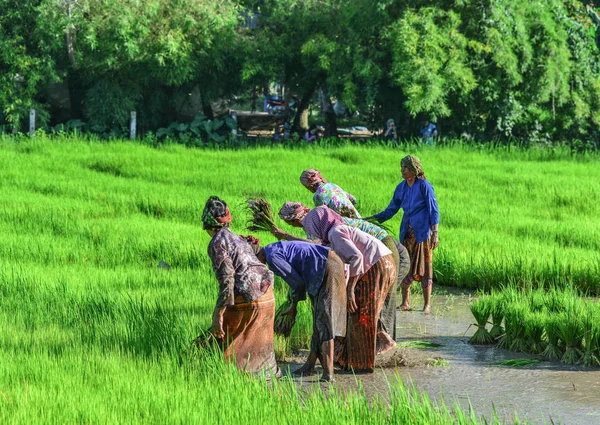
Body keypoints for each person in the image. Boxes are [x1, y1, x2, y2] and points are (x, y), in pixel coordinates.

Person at [275, 202, 410, 343]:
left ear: (294, 220)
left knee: (378, 299)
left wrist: (349, 290)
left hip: (382, 249)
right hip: (374, 252)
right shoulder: (325, 225)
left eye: (289, 223)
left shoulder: (330, 228)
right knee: (365, 301)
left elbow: (318, 246)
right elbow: (323, 248)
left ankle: (382, 344)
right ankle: (370, 345)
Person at [301, 208, 397, 372]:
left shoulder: (335, 233)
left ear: (319, 225)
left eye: (312, 229)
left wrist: (350, 290)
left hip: (376, 266)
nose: (312, 233)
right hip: (383, 263)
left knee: (360, 314)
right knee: (363, 312)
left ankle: (361, 366)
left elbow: (357, 258)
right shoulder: (335, 233)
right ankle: (374, 346)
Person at [202, 196, 279, 377]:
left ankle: (235, 383)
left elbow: (227, 278)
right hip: (267, 294)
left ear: (206, 224)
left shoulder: (217, 243)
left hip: (249, 299)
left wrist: (218, 314)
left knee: (230, 347)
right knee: (260, 350)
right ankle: (269, 380)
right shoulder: (236, 238)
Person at [254, 240, 346, 382]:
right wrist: (292, 303)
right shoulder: (271, 248)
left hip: (327, 266)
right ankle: (310, 364)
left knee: (325, 319)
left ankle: (329, 373)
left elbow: (297, 283)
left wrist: (293, 306)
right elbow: (295, 278)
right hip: (319, 267)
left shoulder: (272, 258)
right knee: (318, 317)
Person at [366, 155, 439, 314]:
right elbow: (391, 210)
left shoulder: (424, 186)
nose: (402, 170)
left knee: (425, 268)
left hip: (423, 234)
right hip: (406, 232)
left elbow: (434, 210)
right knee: (405, 265)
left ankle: (427, 305)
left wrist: (435, 233)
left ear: (414, 169)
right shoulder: (401, 188)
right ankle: (405, 302)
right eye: (402, 167)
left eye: (405, 168)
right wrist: (370, 220)